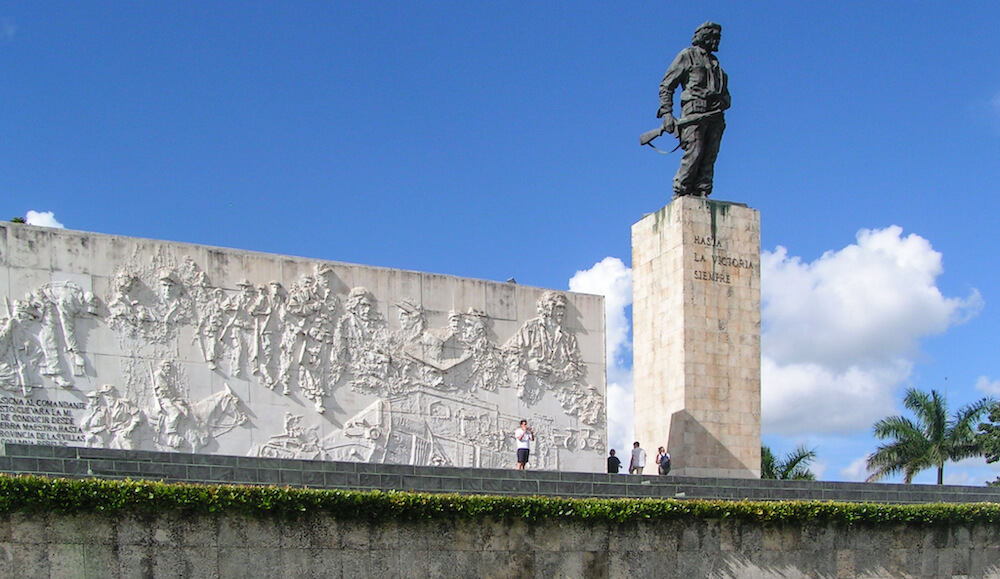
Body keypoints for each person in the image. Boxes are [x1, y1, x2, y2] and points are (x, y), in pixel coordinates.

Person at [657, 21, 730, 198]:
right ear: (705, 36)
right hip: (693, 113)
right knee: (694, 152)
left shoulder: (715, 63)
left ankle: (703, 190)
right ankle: (681, 191)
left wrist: (724, 101)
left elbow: (725, 93)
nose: (717, 41)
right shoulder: (688, 55)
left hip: (715, 115)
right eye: (715, 37)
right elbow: (666, 85)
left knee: (709, 155)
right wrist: (667, 113)